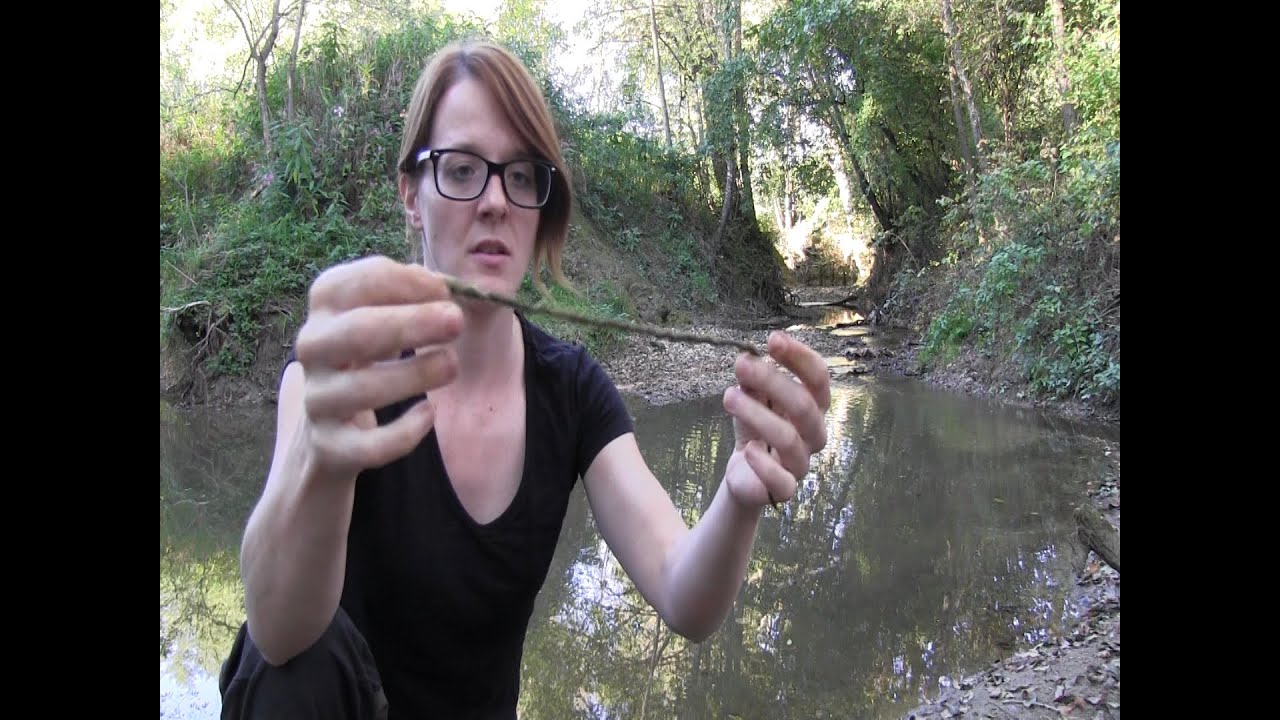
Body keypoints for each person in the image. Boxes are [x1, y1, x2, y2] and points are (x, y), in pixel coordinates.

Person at [217, 38, 831, 720]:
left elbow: (683, 594)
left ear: (541, 208)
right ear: (411, 195)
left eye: (520, 176)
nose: (494, 202)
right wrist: (321, 462)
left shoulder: (571, 391)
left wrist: (740, 495)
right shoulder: (338, 377)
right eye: (461, 169)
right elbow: (278, 633)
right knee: (292, 668)